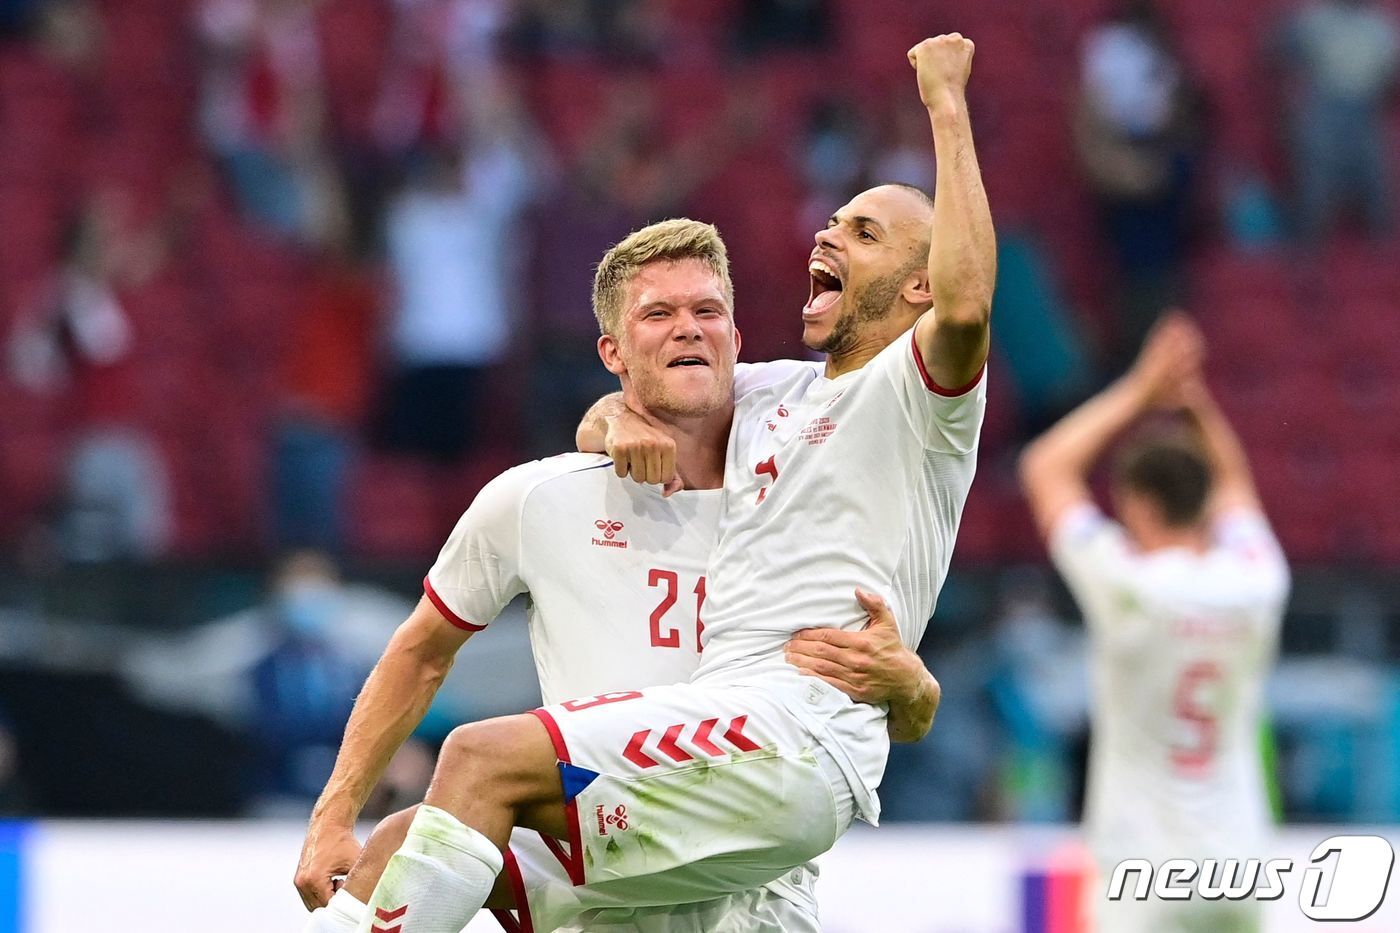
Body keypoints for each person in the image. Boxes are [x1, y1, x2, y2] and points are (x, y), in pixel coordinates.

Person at [346, 34, 993, 932]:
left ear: (918, 283)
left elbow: (966, 306)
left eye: (863, 231)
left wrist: (946, 106)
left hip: (786, 738)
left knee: (478, 757)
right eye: (834, 220)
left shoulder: (919, 399)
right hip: (694, 766)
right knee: (408, 841)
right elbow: (662, 396)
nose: (827, 232)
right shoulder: (769, 395)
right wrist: (613, 422)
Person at [296, 220, 938, 932]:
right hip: (598, 837)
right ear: (613, 351)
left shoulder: (799, 492)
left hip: (742, 879)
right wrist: (333, 816)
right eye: (658, 315)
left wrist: (915, 690)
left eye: (707, 312)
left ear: (738, 337)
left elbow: (864, 695)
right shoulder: (539, 498)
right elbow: (422, 649)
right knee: (397, 842)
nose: (687, 330)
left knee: (475, 770)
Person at [1018, 314, 1289, 933]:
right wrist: (1193, 401)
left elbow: (1046, 469)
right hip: (1239, 866)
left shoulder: (1127, 583)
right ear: (1205, 501)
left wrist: (1144, 387)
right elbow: (1237, 486)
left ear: (1137, 503)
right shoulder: (1256, 579)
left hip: (1142, 874)